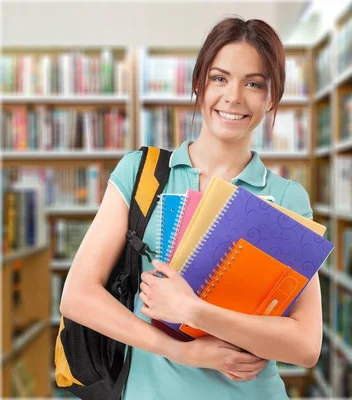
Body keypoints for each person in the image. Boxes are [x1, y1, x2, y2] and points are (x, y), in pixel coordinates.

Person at [60, 17, 322, 400]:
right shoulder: (142, 173)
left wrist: (194, 311)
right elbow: (78, 295)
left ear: (272, 99)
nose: (233, 96)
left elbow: (305, 345)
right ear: (199, 84)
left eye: (254, 83)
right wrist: (183, 351)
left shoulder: (286, 198)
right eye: (220, 78)